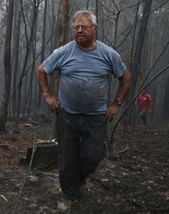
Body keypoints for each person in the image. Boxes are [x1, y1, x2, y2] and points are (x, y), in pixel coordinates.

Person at [37, 10, 131, 208]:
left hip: (97, 116)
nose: (79, 31)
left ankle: (77, 181)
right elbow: (42, 70)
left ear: (94, 29)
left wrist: (116, 104)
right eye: (76, 27)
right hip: (67, 114)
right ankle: (70, 195)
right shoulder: (64, 52)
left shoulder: (108, 54)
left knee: (93, 155)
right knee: (67, 156)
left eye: (84, 27)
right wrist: (48, 95)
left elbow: (125, 77)